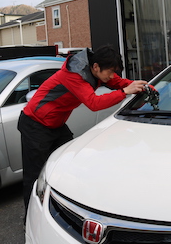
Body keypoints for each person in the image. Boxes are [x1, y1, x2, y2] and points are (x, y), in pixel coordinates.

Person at [18, 45, 147, 212]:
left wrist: (139, 86)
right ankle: (30, 216)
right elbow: (93, 103)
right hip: (35, 124)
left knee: (68, 165)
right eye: (110, 71)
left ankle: (64, 209)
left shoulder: (97, 71)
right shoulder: (73, 75)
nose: (112, 76)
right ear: (96, 67)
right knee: (34, 176)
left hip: (55, 124)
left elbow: (117, 82)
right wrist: (124, 92)